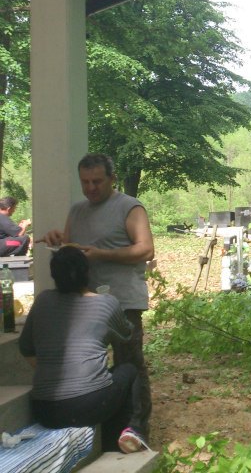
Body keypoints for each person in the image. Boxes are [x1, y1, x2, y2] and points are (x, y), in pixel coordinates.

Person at [44, 153, 154, 449]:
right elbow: (72, 249)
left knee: (129, 363)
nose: (90, 188)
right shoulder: (77, 210)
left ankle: (137, 429)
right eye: (85, 182)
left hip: (123, 302)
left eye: (97, 181)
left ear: (112, 179)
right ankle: (104, 425)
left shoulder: (129, 207)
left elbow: (146, 250)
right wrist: (58, 240)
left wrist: (102, 254)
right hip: (84, 304)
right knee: (89, 365)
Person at [19, 246, 145, 453]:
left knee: (104, 384)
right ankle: (131, 432)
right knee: (128, 371)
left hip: (44, 410)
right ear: (87, 272)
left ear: (54, 275)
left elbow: (26, 348)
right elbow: (127, 334)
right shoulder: (106, 303)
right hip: (89, 405)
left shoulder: (42, 300)